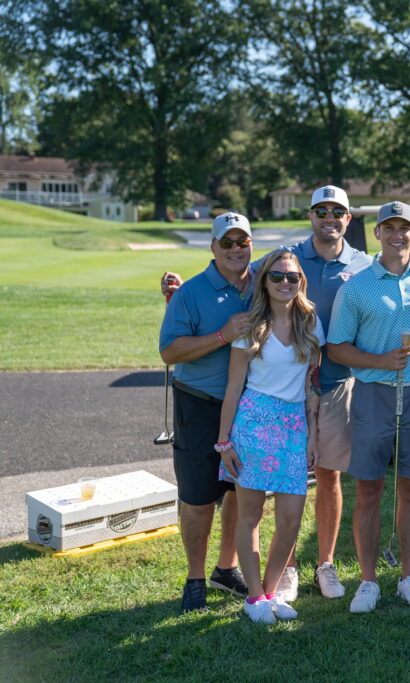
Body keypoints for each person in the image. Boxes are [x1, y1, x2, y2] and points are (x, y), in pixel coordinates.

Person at [161, 187, 410, 602]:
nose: (329, 217)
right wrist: (179, 289)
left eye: (338, 211)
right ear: (312, 215)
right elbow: (240, 271)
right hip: (273, 397)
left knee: (327, 477)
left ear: (349, 220)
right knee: (259, 490)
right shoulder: (288, 256)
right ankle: (284, 570)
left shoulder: (366, 263)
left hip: (334, 387)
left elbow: (404, 269)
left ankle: (326, 563)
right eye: (321, 211)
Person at [327, 201, 410, 614]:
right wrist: (380, 361)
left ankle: (409, 575)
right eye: (388, 227)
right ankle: (369, 580)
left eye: (405, 227)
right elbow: (336, 347)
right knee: (370, 489)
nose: (397, 234)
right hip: (373, 393)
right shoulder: (356, 286)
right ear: (377, 233)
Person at [216, 250, 323, 623]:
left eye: (291, 277)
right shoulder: (249, 326)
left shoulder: (310, 323)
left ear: (300, 282)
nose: (284, 283)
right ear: (264, 282)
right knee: (251, 515)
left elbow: (312, 384)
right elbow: (233, 389)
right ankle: (255, 598)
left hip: (294, 425)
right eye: (276, 276)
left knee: (291, 518)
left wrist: (313, 435)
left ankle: (272, 590)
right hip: (253, 422)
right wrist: (224, 442)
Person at [158, 212, 253, 613]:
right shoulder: (191, 293)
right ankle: (195, 576)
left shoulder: (263, 284)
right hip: (199, 402)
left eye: (242, 242)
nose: (235, 249)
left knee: (238, 491)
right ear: (213, 247)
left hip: (248, 404)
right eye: (226, 242)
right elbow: (169, 351)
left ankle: (225, 567)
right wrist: (221, 336)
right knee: (198, 496)